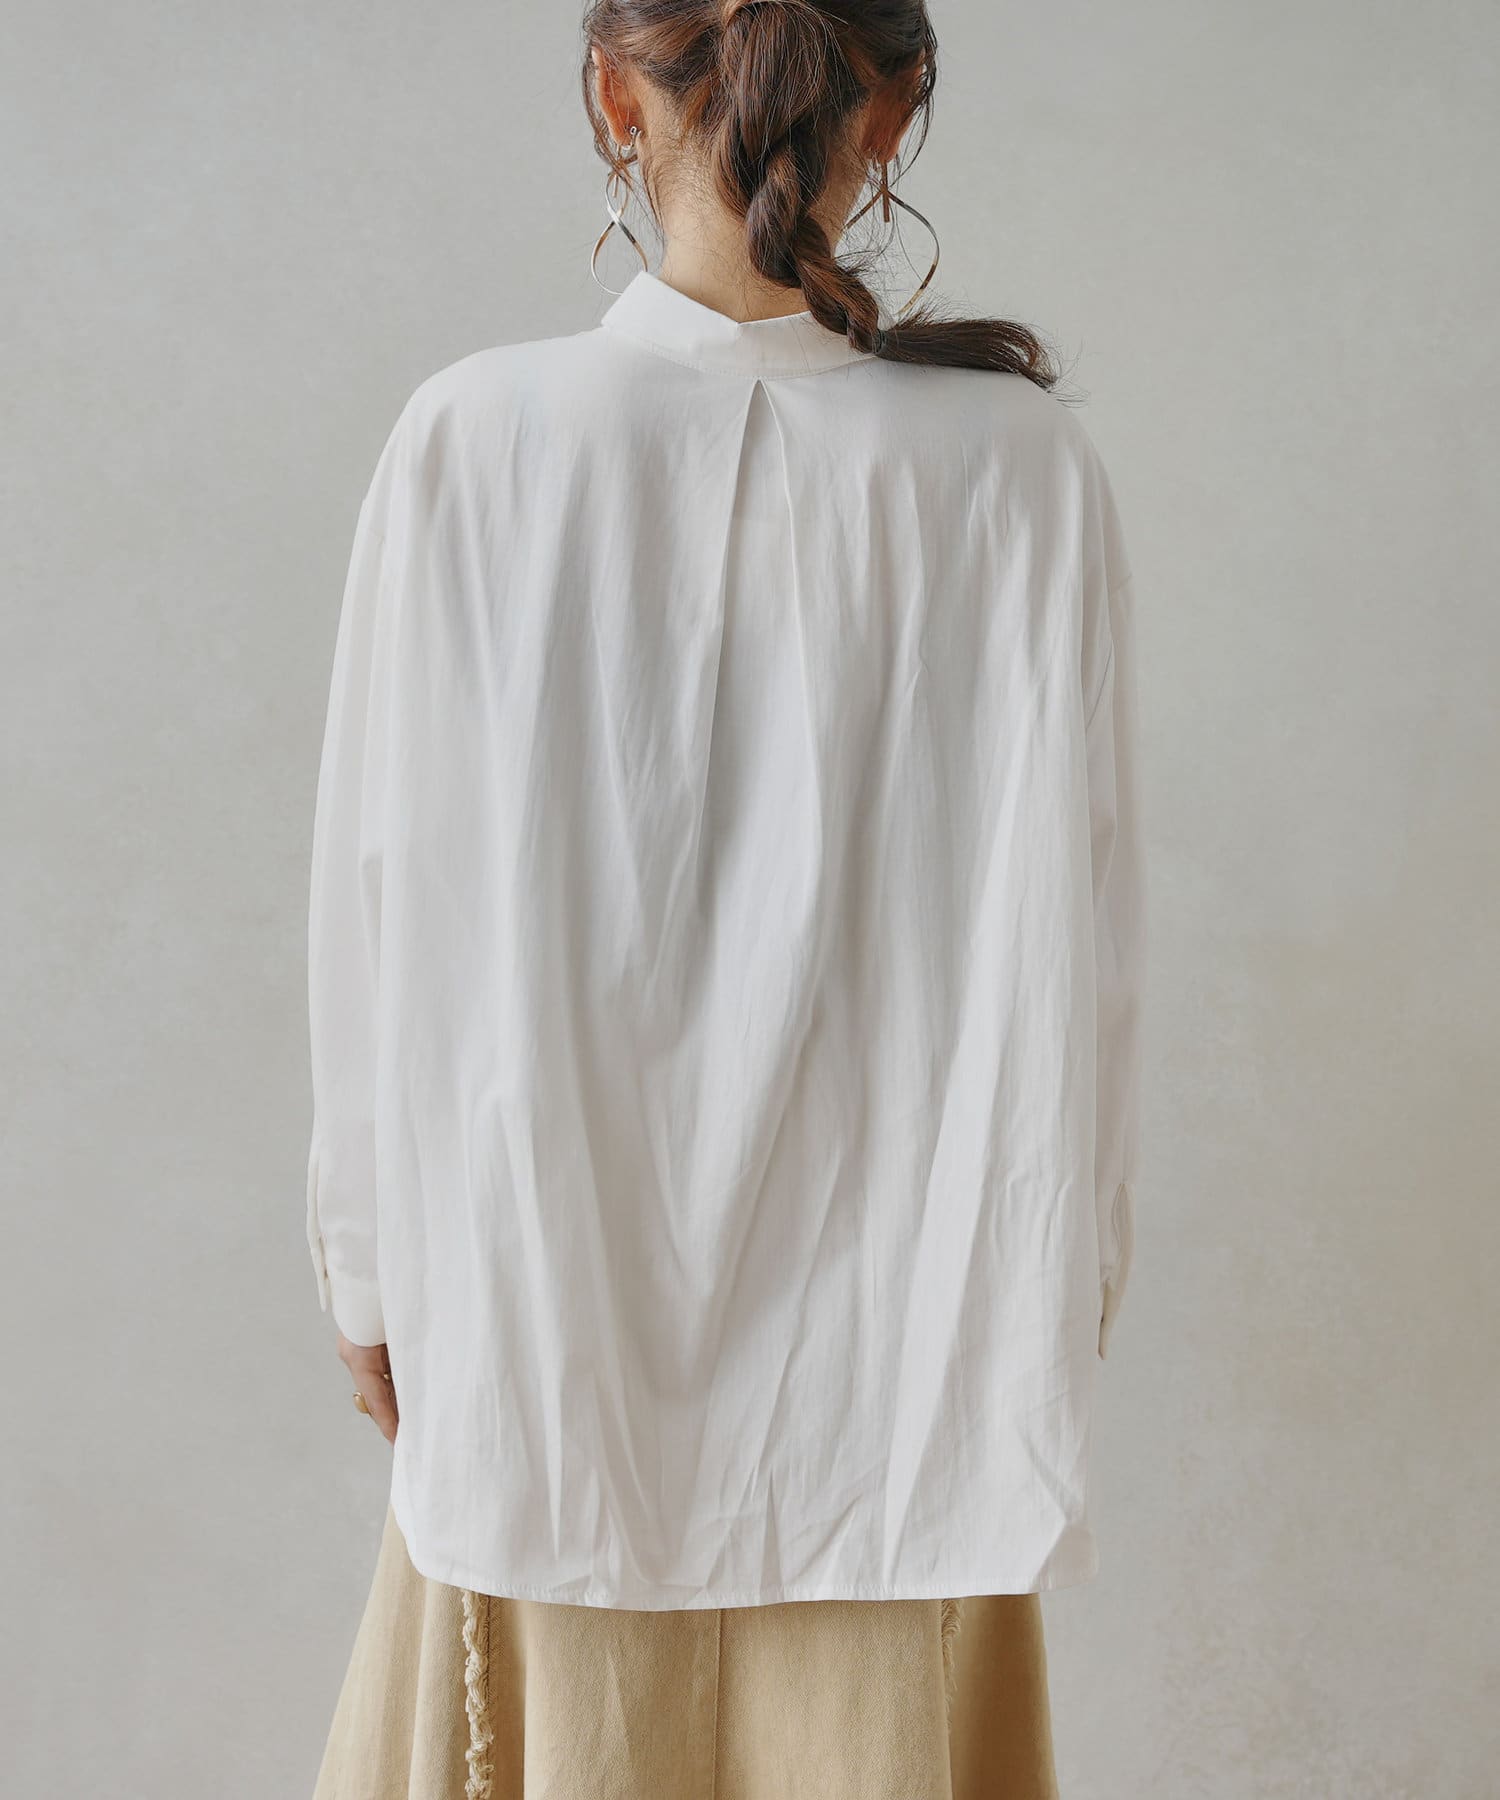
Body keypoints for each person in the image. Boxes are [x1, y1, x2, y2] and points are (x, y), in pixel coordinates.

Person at [306, 1, 1145, 1794]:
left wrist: (367, 1261)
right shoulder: (1019, 473)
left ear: (616, 96)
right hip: (912, 1361)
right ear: (892, 113)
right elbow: (1086, 940)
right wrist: (1056, 1276)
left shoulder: (475, 440)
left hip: (545, 1321)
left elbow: (382, 899)